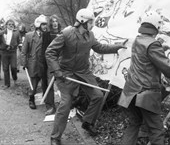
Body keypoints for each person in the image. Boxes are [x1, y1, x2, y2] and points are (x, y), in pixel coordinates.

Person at [46, 8, 126, 145]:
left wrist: (118, 46)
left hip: (83, 72)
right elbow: (50, 52)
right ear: (82, 21)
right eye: (90, 21)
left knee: (98, 96)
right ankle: (55, 137)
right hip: (66, 73)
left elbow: (100, 48)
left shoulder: (91, 35)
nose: (93, 24)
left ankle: (87, 122)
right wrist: (57, 70)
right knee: (65, 105)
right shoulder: (66, 34)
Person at [118, 11, 170, 145]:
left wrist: (162, 47)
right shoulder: (153, 44)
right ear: (156, 27)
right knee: (156, 130)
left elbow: (146, 51)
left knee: (134, 124)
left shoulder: (137, 40)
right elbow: (167, 68)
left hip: (130, 92)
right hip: (145, 93)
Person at [21, 15, 48, 110]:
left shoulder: (47, 35)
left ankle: (47, 100)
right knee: (34, 83)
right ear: (38, 25)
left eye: (46, 24)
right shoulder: (29, 36)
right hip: (33, 63)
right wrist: (24, 63)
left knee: (46, 83)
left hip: (44, 63)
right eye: (43, 24)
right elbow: (24, 51)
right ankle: (31, 99)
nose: (45, 26)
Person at [41, 15, 61, 115]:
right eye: (53, 21)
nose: (55, 23)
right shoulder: (46, 35)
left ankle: (64, 105)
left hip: (62, 62)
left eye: (56, 21)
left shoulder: (63, 34)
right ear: (50, 23)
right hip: (50, 63)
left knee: (64, 84)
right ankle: (50, 106)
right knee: (50, 84)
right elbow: (44, 50)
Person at [0, 19, 21, 88]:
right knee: (5, 68)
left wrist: (20, 47)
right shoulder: (2, 32)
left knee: (14, 67)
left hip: (13, 51)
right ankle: (7, 84)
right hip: (4, 52)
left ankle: (15, 79)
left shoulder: (17, 32)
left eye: (12, 24)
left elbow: (20, 41)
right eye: (9, 24)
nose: (11, 25)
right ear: (6, 25)